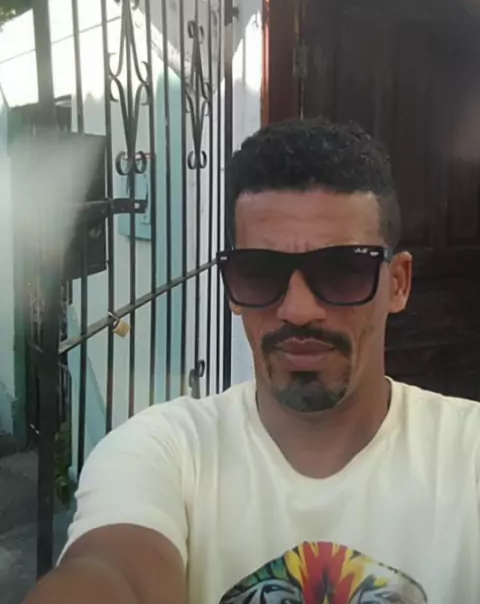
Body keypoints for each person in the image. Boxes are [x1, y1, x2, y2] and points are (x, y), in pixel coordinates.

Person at [26, 118, 480, 604]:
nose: (298, 310)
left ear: (398, 284)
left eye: (344, 270)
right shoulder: (163, 453)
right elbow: (112, 571)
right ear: (231, 288)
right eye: (261, 272)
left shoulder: (467, 455)